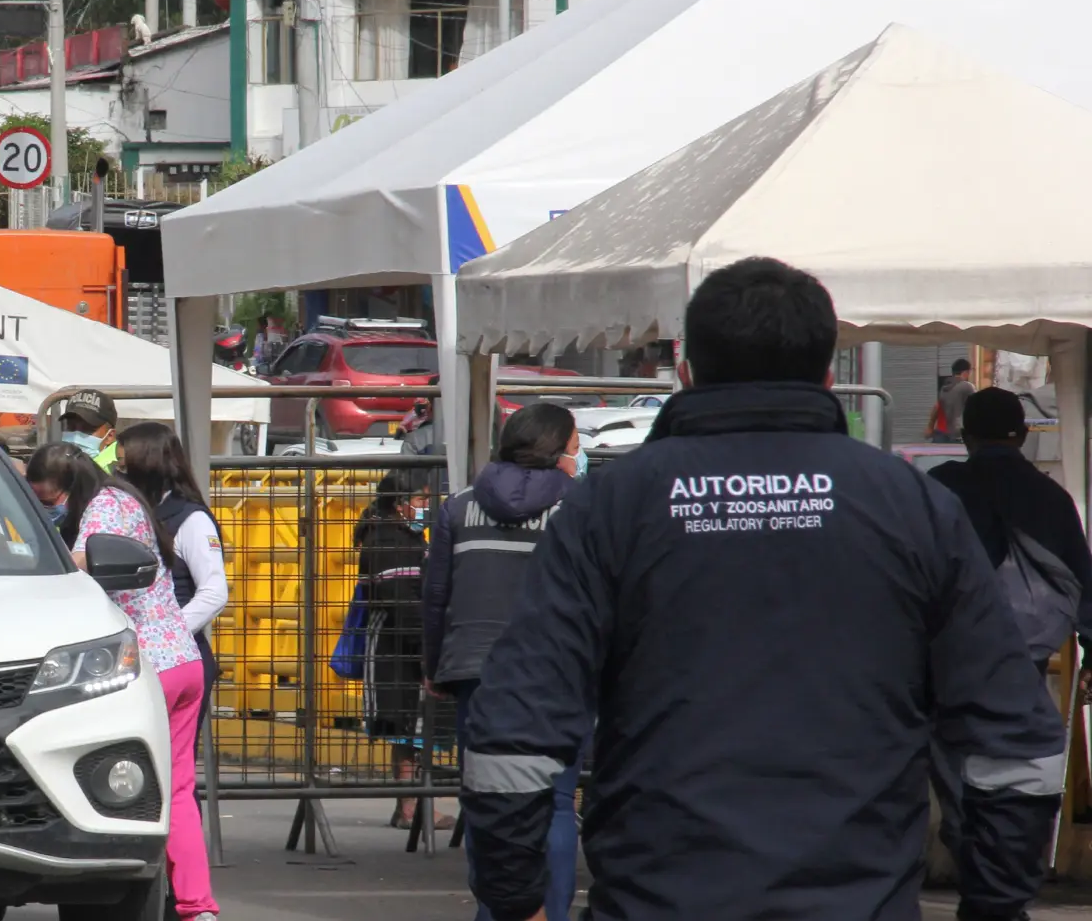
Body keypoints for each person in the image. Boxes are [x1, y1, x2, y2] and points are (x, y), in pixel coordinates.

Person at [459, 256, 1065, 921]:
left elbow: (515, 727)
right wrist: (995, 902)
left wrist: (514, 899)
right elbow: (1014, 734)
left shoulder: (612, 504)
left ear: (686, 371)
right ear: (831, 375)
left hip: (657, 898)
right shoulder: (911, 507)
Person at [26, 443, 218, 921]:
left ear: (69, 486)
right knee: (177, 791)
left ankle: (160, 897)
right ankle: (197, 906)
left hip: (151, 666)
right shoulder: (127, 498)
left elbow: (81, 565)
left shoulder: (105, 507)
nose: (51, 508)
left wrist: (24, 554)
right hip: (183, 658)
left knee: (137, 790)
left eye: (50, 500)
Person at [926, 385, 1092, 869]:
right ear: (1022, 435)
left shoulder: (940, 486)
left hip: (948, 648)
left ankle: (966, 840)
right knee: (1016, 754)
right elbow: (1083, 577)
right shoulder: (1051, 497)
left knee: (950, 745)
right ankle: (1003, 858)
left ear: (965, 435)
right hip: (1026, 648)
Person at [422, 403, 581, 907]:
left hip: (475, 669)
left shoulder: (459, 506)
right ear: (557, 449)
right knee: (556, 803)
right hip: (557, 671)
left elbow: (436, 593)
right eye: (576, 444)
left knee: (487, 803)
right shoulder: (583, 505)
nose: (579, 453)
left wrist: (433, 665)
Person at [348, 467, 452, 831]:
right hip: (398, 647)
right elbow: (402, 604)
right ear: (400, 503)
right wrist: (427, 653)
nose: (425, 506)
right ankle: (412, 807)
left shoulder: (400, 536)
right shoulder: (389, 541)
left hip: (403, 643)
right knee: (409, 726)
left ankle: (410, 804)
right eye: (421, 500)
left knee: (412, 727)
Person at [118, 422, 229, 756]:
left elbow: (213, 592)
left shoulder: (190, 519)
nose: (117, 472)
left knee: (172, 767)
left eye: (124, 465)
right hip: (130, 658)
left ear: (147, 465)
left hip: (174, 658)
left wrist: (164, 635)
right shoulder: (129, 511)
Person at [59, 389, 119, 470]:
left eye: (87, 428)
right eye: (71, 427)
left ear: (110, 436)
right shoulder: (56, 466)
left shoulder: (119, 472)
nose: (76, 437)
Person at [929, 357, 976, 442]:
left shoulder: (944, 388)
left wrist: (930, 427)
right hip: (958, 434)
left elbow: (936, 408)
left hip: (941, 432)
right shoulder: (967, 386)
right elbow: (978, 406)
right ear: (966, 372)